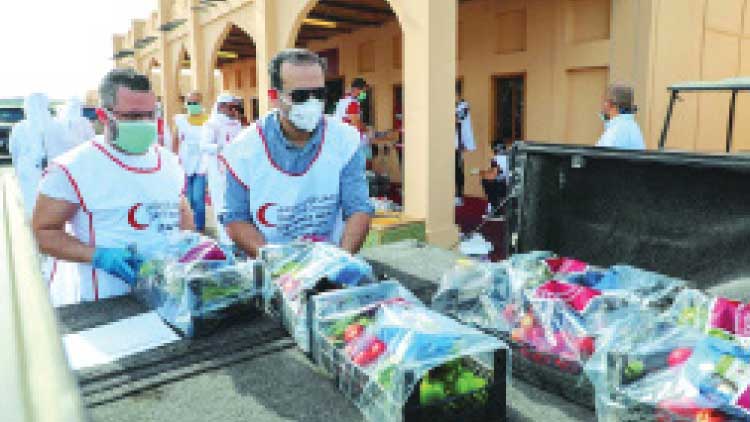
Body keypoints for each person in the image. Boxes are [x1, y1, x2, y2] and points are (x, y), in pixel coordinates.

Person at [32, 68, 193, 307]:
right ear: (103, 115)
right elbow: (43, 232)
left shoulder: (169, 162)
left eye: (151, 114)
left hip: (167, 295)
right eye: (133, 116)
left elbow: (182, 212)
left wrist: (191, 246)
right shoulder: (72, 168)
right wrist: (98, 256)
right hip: (106, 302)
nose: (146, 123)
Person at [221, 48, 373, 256]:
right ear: (274, 96)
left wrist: (340, 262)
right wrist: (277, 263)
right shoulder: (244, 150)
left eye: (318, 94)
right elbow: (236, 218)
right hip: (271, 268)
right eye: (300, 95)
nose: (312, 103)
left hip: (330, 263)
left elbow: (358, 208)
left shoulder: (344, 140)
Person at [9, 93, 72, 218]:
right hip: (52, 171)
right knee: (51, 200)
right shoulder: (57, 125)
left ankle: (37, 224)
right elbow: (66, 149)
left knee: (32, 200)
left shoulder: (20, 127)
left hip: (29, 171)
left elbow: (14, 151)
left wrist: (17, 169)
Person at [201, 93, 243, 245]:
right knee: (220, 204)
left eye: (235, 107)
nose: (233, 110)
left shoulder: (237, 123)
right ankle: (225, 240)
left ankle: (237, 236)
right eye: (230, 107)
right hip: (218, 171)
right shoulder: (211, 124)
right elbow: (204, 145)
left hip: (235, 169)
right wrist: (220, 148)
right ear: (222, 106)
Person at [175, 91, 210, 232]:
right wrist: (174, 159)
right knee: (188, 199)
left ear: (201, 103)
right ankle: (189, 229)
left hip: (202, 163)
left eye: (195, 103)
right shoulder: (181, 120)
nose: (192, 105)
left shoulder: (208, 121)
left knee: (198, 199)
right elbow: (176, 139)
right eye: (189, 103)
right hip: (185, 163)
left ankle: (200, 228)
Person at [596, 83, 645, 150]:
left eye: (605, 101)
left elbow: (603, 158)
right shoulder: (633, 127)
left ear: (611, 104)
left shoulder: (615, 132)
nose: (603, 106)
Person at [455, 82, 476, 206]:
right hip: (450, 141)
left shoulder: (464, 105)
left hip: (460, 142)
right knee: (451, 169)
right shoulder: (451, 105)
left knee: (458, 168)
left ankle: (459, 195)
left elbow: (458, 119)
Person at [480, 143, 509, 217]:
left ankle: (493, 207)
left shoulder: (503, 158)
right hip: (502, 182)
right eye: (495, 150)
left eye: (497, 149)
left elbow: (497, 173)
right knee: (487, 181)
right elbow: (495, 172)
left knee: (489, 182)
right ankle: (493, 207)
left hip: (506, 183)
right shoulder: (495, 159)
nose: (496, 151)